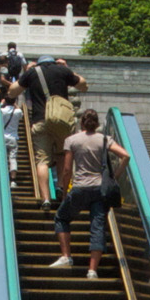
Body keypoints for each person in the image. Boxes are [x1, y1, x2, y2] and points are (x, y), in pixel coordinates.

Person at [52, 108, 129, 278]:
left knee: (61, 217)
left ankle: (66, 256)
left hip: (80, 187)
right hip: (100, 190)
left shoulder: (72, 140)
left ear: (81, 122)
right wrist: (114, 176)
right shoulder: (104, 139)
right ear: (97, 123)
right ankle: (92, 270)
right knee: (97, 227)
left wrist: (65, 192)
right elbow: (126, 155)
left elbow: (66, 170)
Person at [21, 51, 86, 180]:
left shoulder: (32, 73)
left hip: (40, 120)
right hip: (61, 120)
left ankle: (45, 198)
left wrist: (27, 72)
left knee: (42, 161)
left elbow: (12, 91)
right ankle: (62, 188)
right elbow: (83, 85)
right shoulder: (62, 71)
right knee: (62, 154)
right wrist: (67, 68)